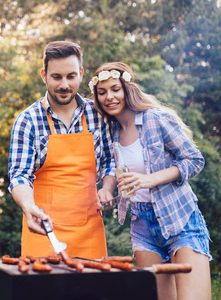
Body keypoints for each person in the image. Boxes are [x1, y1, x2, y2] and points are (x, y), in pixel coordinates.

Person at [90, 62, 212, 300]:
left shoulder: (155, 119)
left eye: (115, 89)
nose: (109, 97)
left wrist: (150, 179)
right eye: (102, 92)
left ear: (128, 88)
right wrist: (107, 190)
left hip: (180, 220)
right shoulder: (111, 131)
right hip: (142, 226)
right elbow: (115, 171)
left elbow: (194, 159)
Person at [7, 41, 118, 259]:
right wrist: (29, 207)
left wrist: (107, 187)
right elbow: (19, 175)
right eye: (56, 77)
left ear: (81, 74)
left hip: (90, 232)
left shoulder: (98, 114)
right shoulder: (28, 120)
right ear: (44, 75)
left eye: (71, 76)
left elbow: (109, 161)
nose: (64, 85)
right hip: (42, 229)